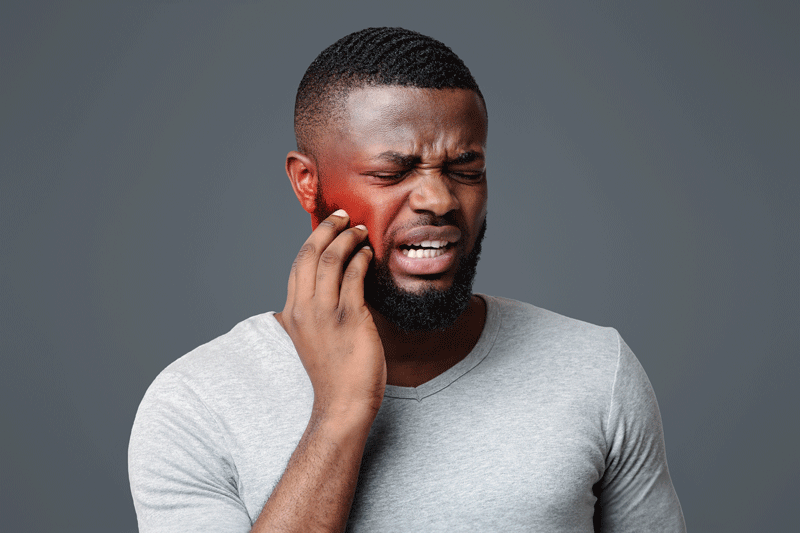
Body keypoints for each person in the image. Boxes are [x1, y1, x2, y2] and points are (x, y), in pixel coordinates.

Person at [128, 27, 685, 532]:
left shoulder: (595, 370)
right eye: (391, 173)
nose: (439, 200)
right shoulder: (196, 403)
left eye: (466, 170)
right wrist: (340, 414)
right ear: (307, 183)